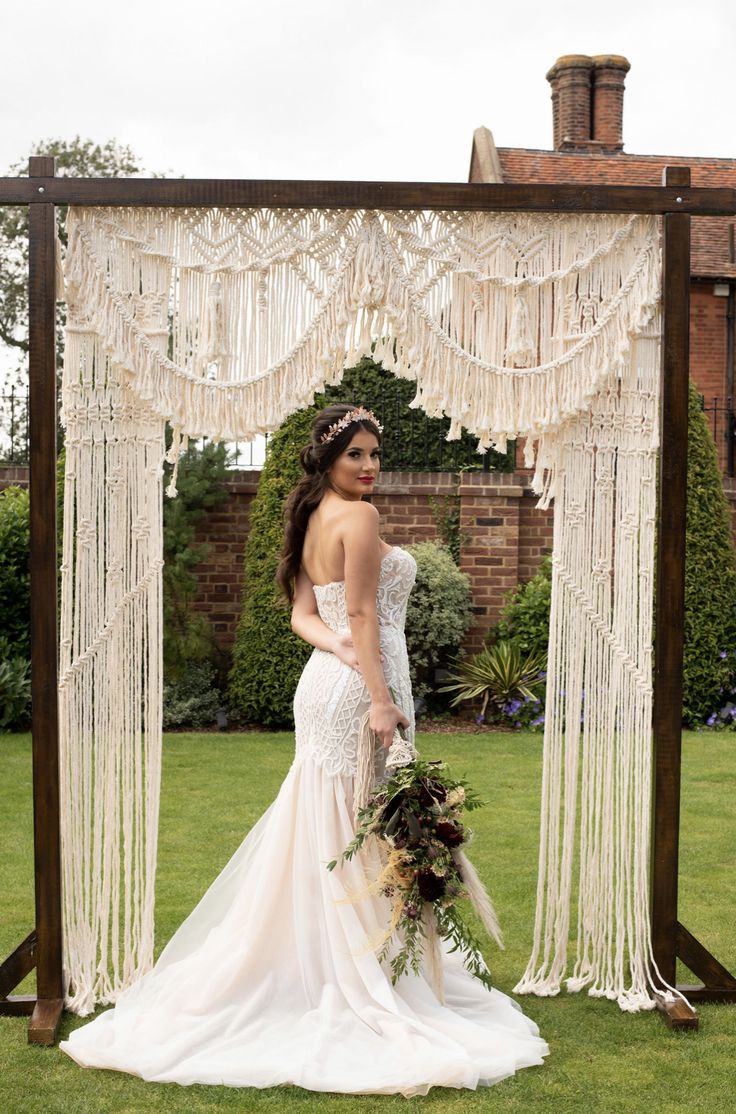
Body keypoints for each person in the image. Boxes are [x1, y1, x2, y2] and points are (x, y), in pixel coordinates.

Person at [60, 402, 548, 1095]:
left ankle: (342, 962)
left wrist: (343, 651)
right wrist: (379, 697)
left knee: (341, 831)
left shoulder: (311, 513)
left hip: (326, 682)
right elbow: (350, 615)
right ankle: (353, 973)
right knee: (358, 830)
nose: (371, 466)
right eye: (357, 455)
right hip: (358, 691)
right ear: (326, 457)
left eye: (376, 454)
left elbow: (304, 617)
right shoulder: (360, 517)